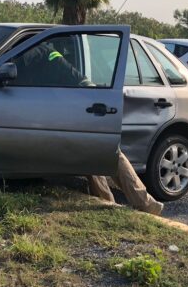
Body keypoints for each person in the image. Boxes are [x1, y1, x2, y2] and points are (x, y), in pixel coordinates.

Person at [12, 39, 163, 215]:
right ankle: (125, 203)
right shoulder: (44, 53)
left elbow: (15, 72)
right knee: (98, 153)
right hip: (77, 103)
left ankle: (128, 203)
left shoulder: (34, 52)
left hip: (79, 105)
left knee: (101, 152)